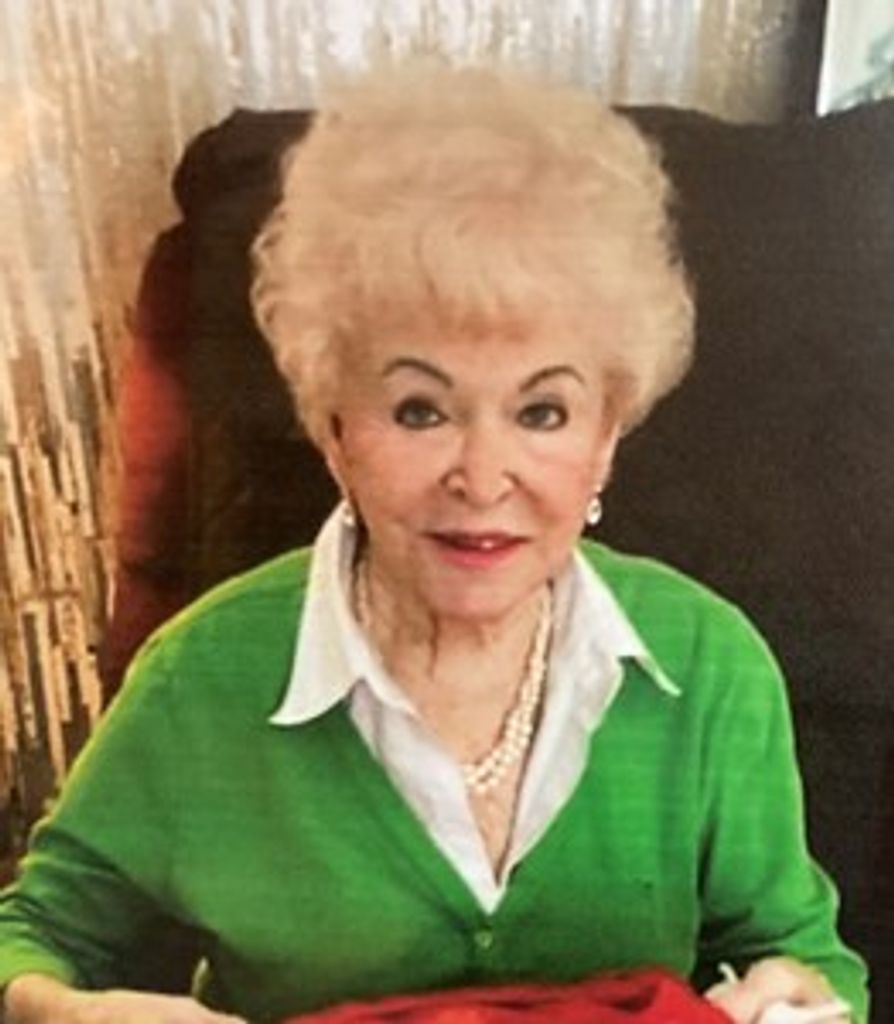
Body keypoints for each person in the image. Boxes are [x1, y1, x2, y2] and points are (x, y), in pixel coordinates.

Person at [0, 62, 868, 1024]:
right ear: (334, 428)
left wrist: (803, 1006)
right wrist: (64, 1011)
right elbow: (31, 933)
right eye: (420, 409)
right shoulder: (201, 678)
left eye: (542, 411)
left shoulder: (707, 666)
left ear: (606, 436)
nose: (484, 478)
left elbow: (805, 954)